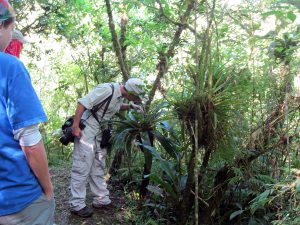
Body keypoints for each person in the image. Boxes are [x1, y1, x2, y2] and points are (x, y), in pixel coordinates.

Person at [0, 1, 55, 225]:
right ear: (3, 25)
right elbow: (30, 142)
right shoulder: (10, 67)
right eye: (11, 29)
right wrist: (48, 189)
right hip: (18, 199)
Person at [69, 78, 146, 217]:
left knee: (98, 166)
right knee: (81, 167)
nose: (135, 99)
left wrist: (130, 106)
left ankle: (101, 199)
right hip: (86, 131)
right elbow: (82, 103)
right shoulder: (106, 89)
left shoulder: (119, 96)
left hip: (100, 132)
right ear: (130, 92)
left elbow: (115, 106)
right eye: (135, 97)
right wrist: (75, 126)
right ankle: (77, 204)